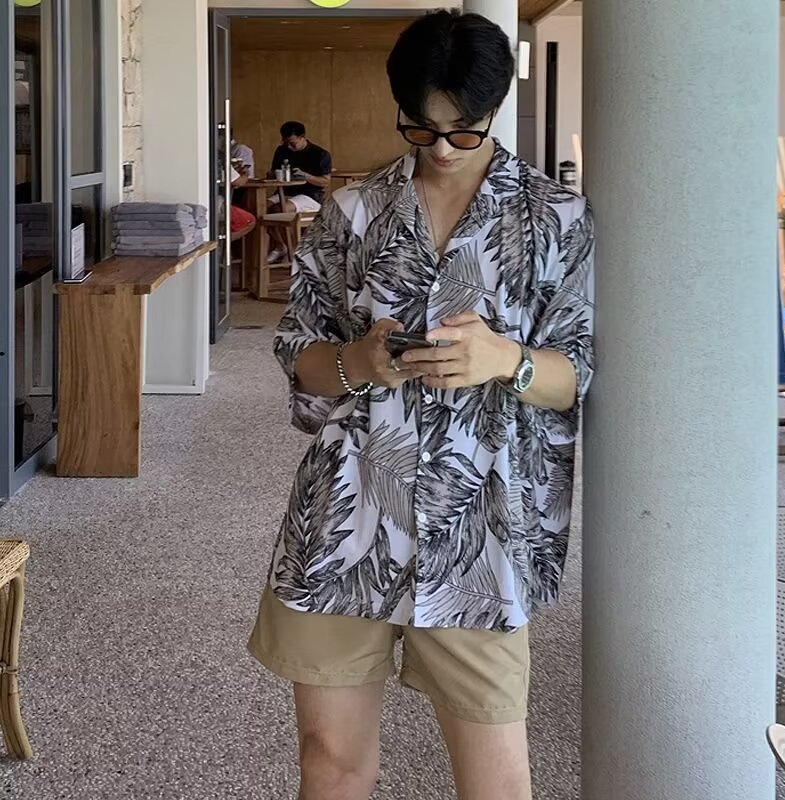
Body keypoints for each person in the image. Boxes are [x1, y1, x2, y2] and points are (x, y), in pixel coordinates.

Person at [248, 10, 594, 800]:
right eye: (420, 128)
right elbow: (298, 356)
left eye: (463, 129)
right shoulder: (353, 214)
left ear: (495, 109)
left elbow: (578, 376)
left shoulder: (557, 220)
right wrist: (359, 362)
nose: (440, 148)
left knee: (495, 776)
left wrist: (505, 360)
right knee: (329, 759)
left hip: (483, 531)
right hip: (348, 517)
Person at [267, 121, 332, 263]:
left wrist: (306, 176)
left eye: (293, 143)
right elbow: (272, 172)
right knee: (261, 209)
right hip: (285, 192)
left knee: (280, 209)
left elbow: (325, 182)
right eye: (286, 143)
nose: (289, 146)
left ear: (302, 137)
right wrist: (274, 174)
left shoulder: (320, 154)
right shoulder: (281, 150)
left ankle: (293, 251)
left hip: (310, 195)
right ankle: (280, 245)